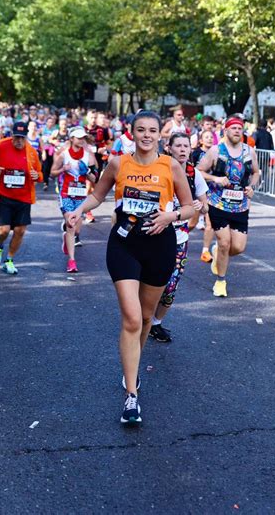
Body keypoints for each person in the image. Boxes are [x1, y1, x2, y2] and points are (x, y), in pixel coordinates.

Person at [67, 111, 194, 426]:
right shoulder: (118, 163)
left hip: (160, 247)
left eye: (152, 130)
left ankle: (131, 366)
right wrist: (78, 211)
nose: (147, 135)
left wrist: (170, 217)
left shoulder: (171, 166)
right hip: (124, 245)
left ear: (158, 135)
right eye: (141, 130)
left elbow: (191, 206)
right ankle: (132, 394)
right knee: (132, 318)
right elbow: (98, 195)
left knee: (147, 317)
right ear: (132, 133)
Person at [149, 132, 208, 342]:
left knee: (171, 285)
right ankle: (141, 320)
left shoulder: (193, 174)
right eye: (179, 146)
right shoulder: (159, 169)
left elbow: (205, 204)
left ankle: (156, 323)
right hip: (155, 233)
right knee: (150, 281)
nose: (183, 149)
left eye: (186, 146)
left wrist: (201, 206)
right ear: (169, 148)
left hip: (179, 238)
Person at [198, 115, 260, 298]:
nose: (237, 131)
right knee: (225, 242)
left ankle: (217, 253)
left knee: (238, 248)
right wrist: (216, 178)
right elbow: (199, 171)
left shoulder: (249, 151)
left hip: (240, 205)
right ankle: (220, 281)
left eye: (240, 129)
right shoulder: (216, 151)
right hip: (218, 203)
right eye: (233, 128)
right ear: (226, 130)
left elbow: (256, 172)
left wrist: (251, 187)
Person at [0, 121, 43, 275]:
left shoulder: (32, 153)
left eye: (22, 138)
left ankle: (9, 260)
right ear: (11, 135)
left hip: (24, 197)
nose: (19, 141)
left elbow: (40, 174)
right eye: (16, 137)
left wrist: (37, 176)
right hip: (3, 195)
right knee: (3, 231)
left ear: (26, 137)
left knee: (20, 230)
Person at [50, 127, 97, 275]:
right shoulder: (63, 155)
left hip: (81, 196)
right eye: (78, 137)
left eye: (83, 137)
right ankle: (72, 261)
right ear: (71, 139)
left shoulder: (88, 155)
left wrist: (87, 172)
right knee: (71, 225)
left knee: (76, 229)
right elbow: (52, 173)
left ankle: (67, 236)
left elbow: (95, 179)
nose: (81, 140)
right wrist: (63, 169)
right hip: (66, 194)